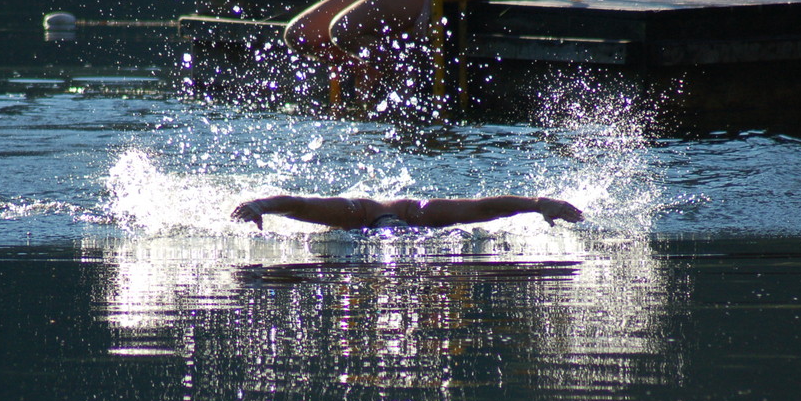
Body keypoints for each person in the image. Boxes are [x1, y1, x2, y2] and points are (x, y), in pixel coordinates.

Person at [284, 0, 446, 97]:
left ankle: (401, 75)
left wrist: (429, 3)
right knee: (299, 34)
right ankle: (367, 67)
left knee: (343, 30)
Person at [231, 194, 584, 230]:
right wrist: (258, 206)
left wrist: (538, 205)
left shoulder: (422, 213)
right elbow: (300, 205)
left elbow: (484, 208)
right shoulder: (353, 213)